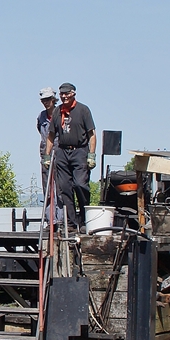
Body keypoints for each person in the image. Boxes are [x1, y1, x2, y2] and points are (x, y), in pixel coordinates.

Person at [44, 82, 96, 232]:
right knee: (65, 188)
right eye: (61, 94)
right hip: (62, 152)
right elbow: (51, 135)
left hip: (80, 151)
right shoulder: (57, 112)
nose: (64, 96)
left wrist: (91, 154)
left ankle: (84, 219)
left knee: (80, 184)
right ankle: (72, 223)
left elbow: (92, 134)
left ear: (73, 94)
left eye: (67, 94)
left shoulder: (83, 110)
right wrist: (47, 156)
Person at [36, 87, 57, 188]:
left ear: (53, 99)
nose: (46, 102)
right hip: (45, 153)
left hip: (59, 153)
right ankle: (48, 203)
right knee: (46, 183)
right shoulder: (41, 116)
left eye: (48, 99)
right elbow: (40, 131)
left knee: (60, 184)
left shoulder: (60, 114)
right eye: (43, 100)